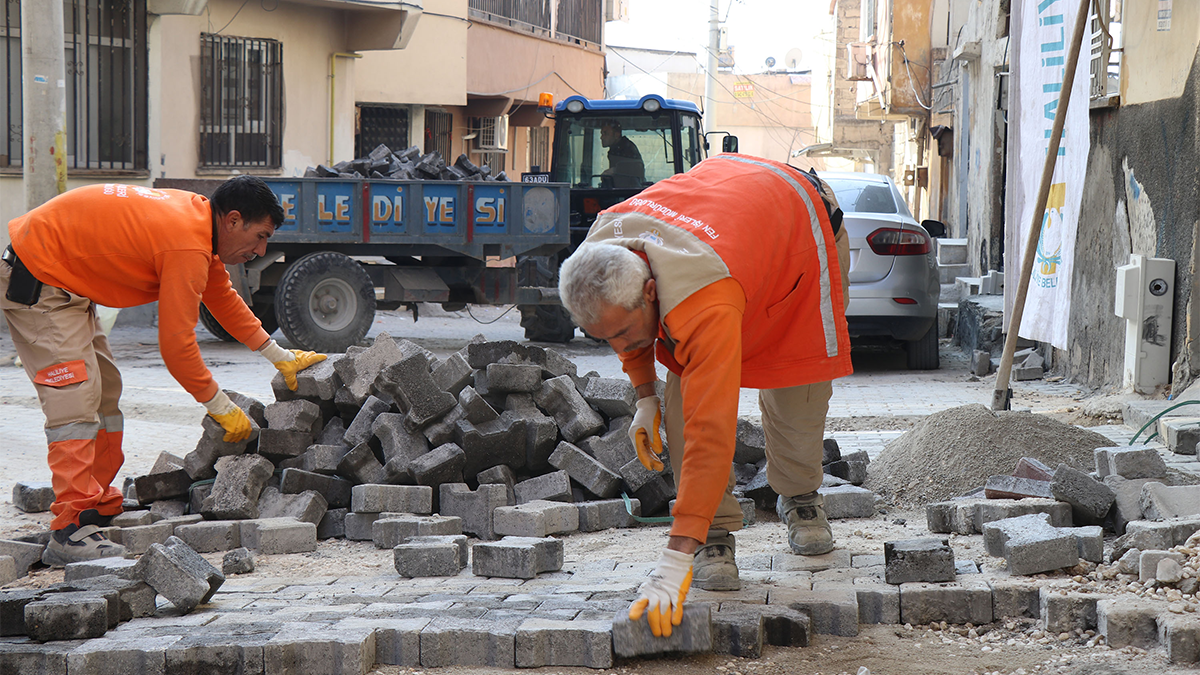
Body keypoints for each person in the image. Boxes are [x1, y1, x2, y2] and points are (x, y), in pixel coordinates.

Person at [558, 154, 851, 637]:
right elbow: (626, 332)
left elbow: (711, 429)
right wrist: (645, 395)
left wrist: (674, 559)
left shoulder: (701, 300)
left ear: (652, 292)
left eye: (627, 334)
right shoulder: (601, 249)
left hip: (802, 231)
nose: (621, 349)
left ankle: (800, 495)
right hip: (732, 225)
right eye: (603, 339)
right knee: (679, 403)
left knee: (794, 385)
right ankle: (713, 531)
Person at [1, 176, 327, 567]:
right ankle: (69, 530)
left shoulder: (198, 224)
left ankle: (93, 504)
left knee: (105, 394)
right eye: (259, 236)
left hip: (66, 283)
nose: (260, 249)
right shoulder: (186, 240)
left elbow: (221, 296)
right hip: (39, 280)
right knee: (75, 402)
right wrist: (219, 405)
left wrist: (278, 354)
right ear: (233, 220)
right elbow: (176, 346)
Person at [599, 121, 645, 188]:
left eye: (605, 133)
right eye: (602, 133)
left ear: (617, 135)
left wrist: (615, 170)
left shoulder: (627, 148)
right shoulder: (613, 149)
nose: (601, 137)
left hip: (630, 191)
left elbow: (638, 168)